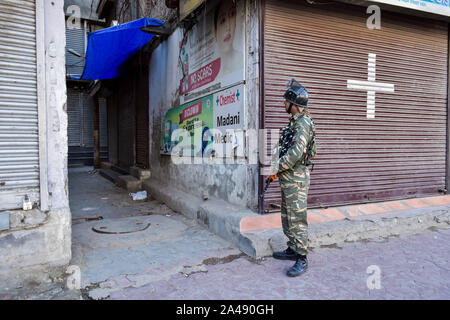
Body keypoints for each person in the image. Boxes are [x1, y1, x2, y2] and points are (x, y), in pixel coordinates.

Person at [269, 79, 316, 277]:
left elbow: (297, 152)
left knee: (297, 218)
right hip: (289, 178)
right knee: (288, 216)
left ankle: (302, 258)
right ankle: (292, 248)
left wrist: (276, 167)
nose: (283, 104)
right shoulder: (294, 122)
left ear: (294, 104)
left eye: (286, 101)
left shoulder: (303, 123)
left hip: (296, 179)